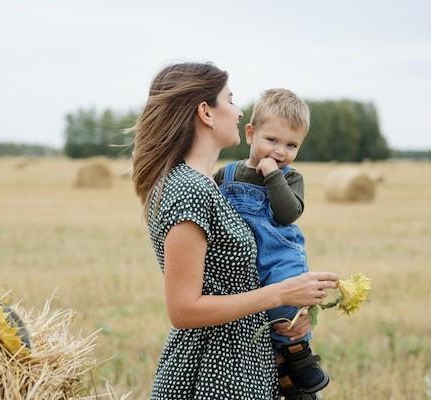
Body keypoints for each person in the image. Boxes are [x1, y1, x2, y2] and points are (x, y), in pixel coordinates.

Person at [132, 62, 338, 400]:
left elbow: (238, 281)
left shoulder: (206, 185)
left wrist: (288, 316)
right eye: (230, 99)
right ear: (206, 113)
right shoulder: (190, 189)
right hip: (214, 372)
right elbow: (183, 309)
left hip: (243, 363)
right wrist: (281, 294)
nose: (239, 111)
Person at [214, 88, 327, 397]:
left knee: (286, 315)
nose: (280, 151)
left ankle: (299, 358)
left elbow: (288, 213)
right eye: (272, 141)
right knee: (260, 322)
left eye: (291, 145)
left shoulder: (291, 178)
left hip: (279, 258)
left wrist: (273, 176)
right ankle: (283, 371)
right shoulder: (227, 174)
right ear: (250, 134)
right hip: (245, 260)